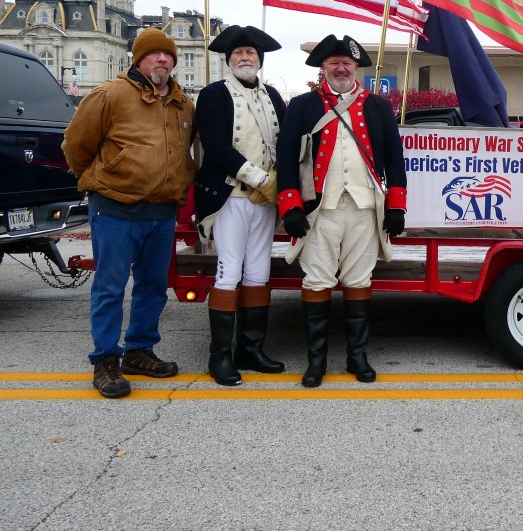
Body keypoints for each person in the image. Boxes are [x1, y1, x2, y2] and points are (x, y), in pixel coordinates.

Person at [62, 27, 196, 398]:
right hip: (116, 208)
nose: (163, 61)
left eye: (168, 56)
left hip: (162, 210)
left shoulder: (183, 103)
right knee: (110, 286)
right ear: (138, 59)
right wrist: (99, 178)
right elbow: (76, 145)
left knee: (153, 286)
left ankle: (139, 350)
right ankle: (106, 359)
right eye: (155, 55)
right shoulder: (110, 94)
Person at [276, 34, 407, 388]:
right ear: (323, 68)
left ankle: (356, 356)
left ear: (356, 68)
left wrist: (396, 206)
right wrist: (290, 206)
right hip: (321, 209)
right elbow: (286, 156)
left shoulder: (378, 106)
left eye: (346, 63)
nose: (340, 68)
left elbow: (395, 157)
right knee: (317, 280)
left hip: (364, 207)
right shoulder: (302, 106)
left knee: (359, 280)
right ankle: (316, 361)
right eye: (334, 62)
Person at [195, 25, 288, 386]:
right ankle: (219, 356)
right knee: (230, 270)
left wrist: (281, 181)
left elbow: (286, 142)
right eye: (237, 54)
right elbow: (217, 148)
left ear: (259, 60)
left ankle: (250, 349)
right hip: (230, 196)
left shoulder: (274, 95)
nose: (244, 58)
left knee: (258, 271)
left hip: (265, 200)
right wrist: (261, 180)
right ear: (229, 60)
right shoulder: (214, 95)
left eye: (250, 53)